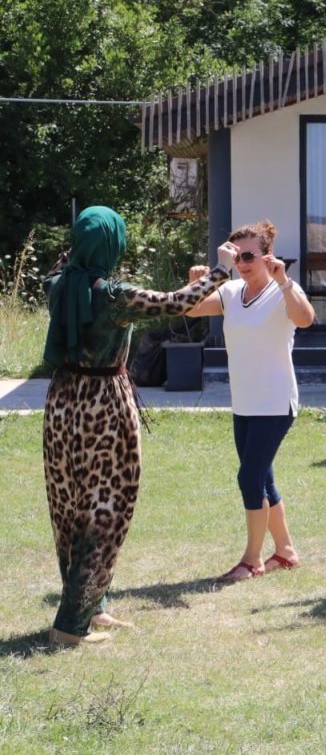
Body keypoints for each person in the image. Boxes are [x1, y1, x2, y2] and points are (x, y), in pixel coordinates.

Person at [42, 206, 236, 645]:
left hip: (61, 404)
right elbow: (173, 304)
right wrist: (221, 270)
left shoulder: (59, 285)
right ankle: (70, 626)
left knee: (70, 508)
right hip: (103, 408)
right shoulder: (112, 295)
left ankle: (94, 606)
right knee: (106, 512)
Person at [187, 220, 315, 582]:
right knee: (263, 478)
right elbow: (190, 309)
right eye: (234, 255)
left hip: (275, 403)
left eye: (247, 255)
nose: (241, 262)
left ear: (266, 255)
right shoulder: (229, 292)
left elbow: (305, 319)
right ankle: (286, 551)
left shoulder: (282, 290)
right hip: (244, 401)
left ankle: (251, 559)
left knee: (249, 477)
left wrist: (285, 280)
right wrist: (204, 278)